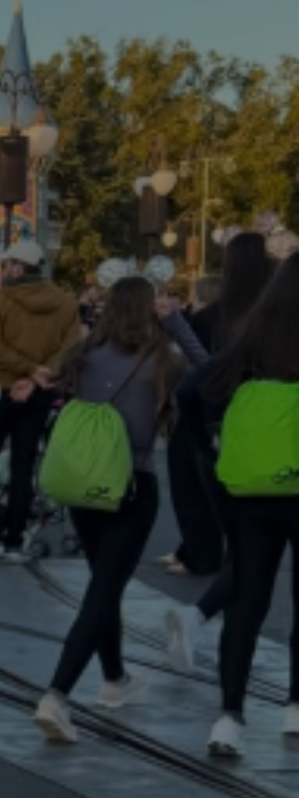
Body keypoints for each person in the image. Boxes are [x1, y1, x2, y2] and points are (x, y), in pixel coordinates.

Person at [30, 276, 205, 743]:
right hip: (132, 484)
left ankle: (114, 679)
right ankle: (57, 695)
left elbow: (50, 384)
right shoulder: (163, 360)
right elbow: (208, 375)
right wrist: (178, 323)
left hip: (84, 488)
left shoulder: (83, 355)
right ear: (150, 310)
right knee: (104, 591)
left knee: (103, 585)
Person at [198, 252, 299, 760]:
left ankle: (229, 716)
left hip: (251, 490)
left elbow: (200, 391)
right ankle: (295, 705)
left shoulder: (254, 337)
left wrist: (220, 452)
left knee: (248, 602)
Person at [162, 230, 273, 593]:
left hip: (214, 412)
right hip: (266, 415)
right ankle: (239, 555)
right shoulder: (275, 315)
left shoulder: (212, 317)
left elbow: (196, 371)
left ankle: (202, 552)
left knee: (192, 477)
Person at [0, 242, 81, 561]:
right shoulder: (66, 302)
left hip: (2, 389)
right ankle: (15, 539)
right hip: (40, 393)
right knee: (22, 467)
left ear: (18, 267)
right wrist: (41, 374)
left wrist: (26, 372)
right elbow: (72, 346)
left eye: (7, 264)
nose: (3, 269)